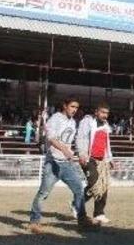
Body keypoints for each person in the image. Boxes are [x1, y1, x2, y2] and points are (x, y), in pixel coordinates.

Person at [28, 98, 93, 233]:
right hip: (53, 163)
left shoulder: (73, 122)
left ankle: (82, 219)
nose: (74, 109)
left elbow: (70, 140)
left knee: (79, 190)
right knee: (43, 193)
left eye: (76, 107)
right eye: (72, 106)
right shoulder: (55, 118)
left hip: (67, 163)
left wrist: (78, 153)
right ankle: (34, 222)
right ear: (65, 106)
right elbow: (50, 138)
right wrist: (64, 149)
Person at [76, 101, 114, 225]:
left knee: (103, 185)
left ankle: (99, 213)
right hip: (88, 158)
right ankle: (76, 204)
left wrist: (110, 159)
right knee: (94, 183)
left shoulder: (106, 125)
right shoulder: (87, 122)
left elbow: (106, 144)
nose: (105, 115)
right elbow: (81, 138)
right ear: (96, 112)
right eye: (103, 112)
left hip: (102, 160)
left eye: (107, 113)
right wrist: (82, 154)